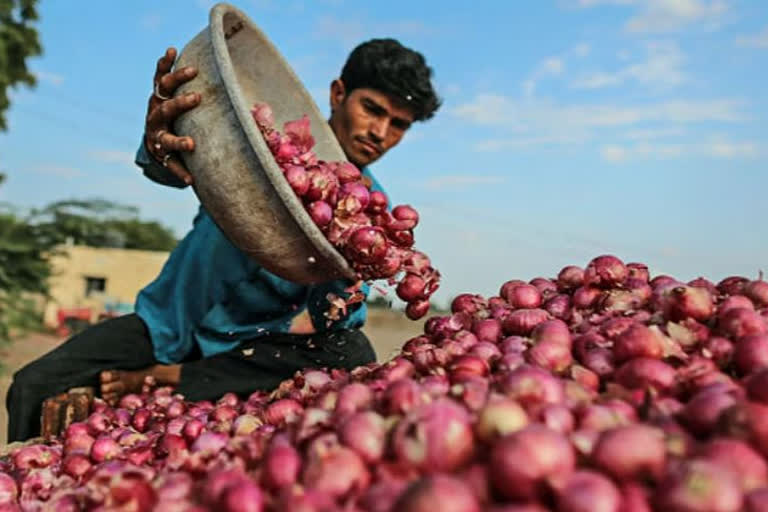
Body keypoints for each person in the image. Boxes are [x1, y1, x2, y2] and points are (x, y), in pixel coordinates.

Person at [6, 38, 441, 442]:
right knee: (33, 385)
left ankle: (173, 378)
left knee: (352, 350)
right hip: (167, 325)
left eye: (398, 124)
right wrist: (159, 142)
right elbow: (178, 163)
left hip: (249, 349)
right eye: (372, 109)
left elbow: (336, 321)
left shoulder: (372, 213)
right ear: (337, 93)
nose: (380, 133)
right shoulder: (264, 145)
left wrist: (349, 270)